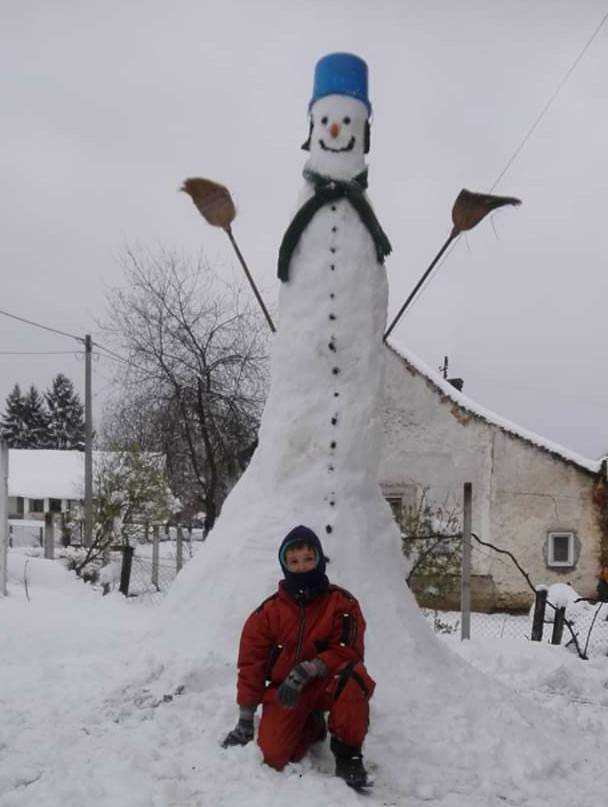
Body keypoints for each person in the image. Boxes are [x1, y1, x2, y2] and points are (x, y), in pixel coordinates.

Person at [222, 524, 375, 790]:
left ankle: (348, 754)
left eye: (308, 559)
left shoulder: (342, 603)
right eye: (293, 561)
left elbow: (349, 651)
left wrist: (311, 668)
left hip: (330, 683)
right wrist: (246, 718)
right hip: (289, 691)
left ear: (318, 559)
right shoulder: (268, 614)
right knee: (274, 755)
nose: (302, 566)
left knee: (354, 677)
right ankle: (312, 725)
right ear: (284, 565)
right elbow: (251, 664)